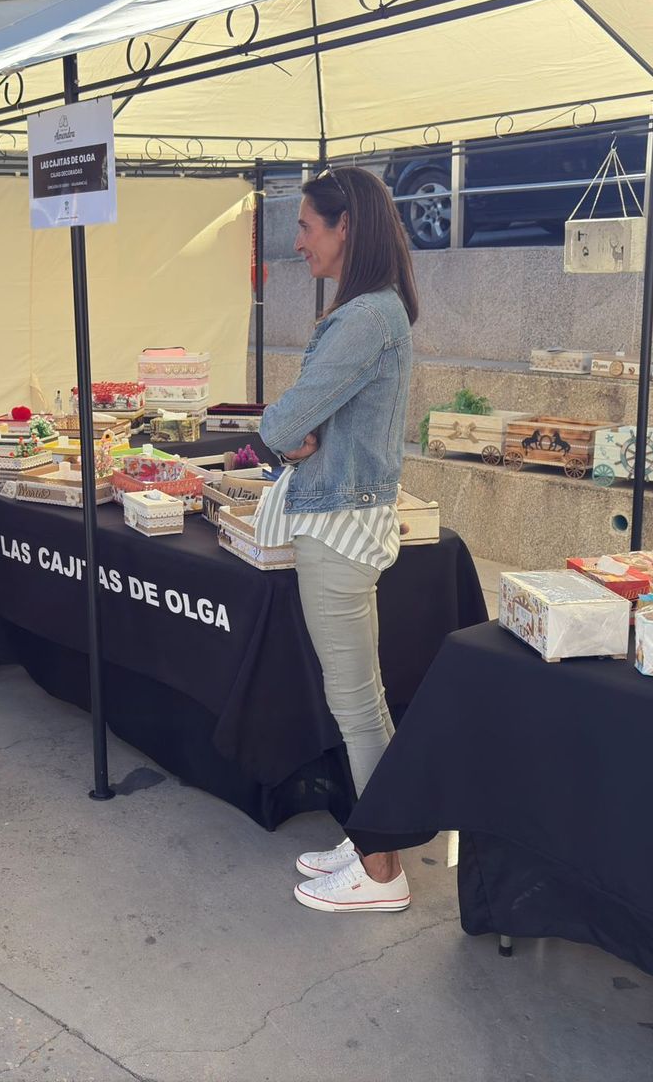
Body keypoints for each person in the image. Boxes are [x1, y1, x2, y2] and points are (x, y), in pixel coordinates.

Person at [255, 166, 420, 916]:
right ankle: (371, 840)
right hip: (345, 517)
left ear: (344, 227)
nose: (298, 243)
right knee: (360, 698)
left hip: (340, 525)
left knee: (355, 702)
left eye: (306, 227)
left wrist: (284, 435)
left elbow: (284, 422)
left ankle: (383, 869)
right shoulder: (374, 313)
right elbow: (305, 422)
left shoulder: (363, 318)